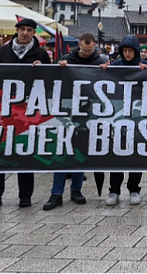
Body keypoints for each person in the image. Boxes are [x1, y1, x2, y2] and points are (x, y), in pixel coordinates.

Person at [0, 18, 51, 212]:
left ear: (34, 33)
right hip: (4, 110)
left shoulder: (41, 54)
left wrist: (44, 70)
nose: (25, 33)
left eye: (29, 30)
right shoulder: (2, 53)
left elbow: (49, 82)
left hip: (28, 110)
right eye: (22, 29)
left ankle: (25, 195)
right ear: (17, 31)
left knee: (25, 151)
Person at [42, 33, 106, 211]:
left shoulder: (99, 61)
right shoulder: (67, 59)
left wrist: (106, 70)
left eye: (89, 50)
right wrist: (59, 67)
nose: (86, 53)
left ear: (94, 46)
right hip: (68, 111)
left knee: (80, 151)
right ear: (79, 45)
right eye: (84, 50)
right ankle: (56, 193)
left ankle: (76, 190)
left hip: (88, 113)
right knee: (63, 151)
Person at [106, 35, 147, 206]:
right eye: (125, 50)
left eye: (131, 51)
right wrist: (103, 70)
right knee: (117, 154)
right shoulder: (115, 66)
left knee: (136, 155)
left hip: (137, 117)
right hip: (118, 117)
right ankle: (114, 190)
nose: (128, 54)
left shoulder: (144, 67)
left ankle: (134, 189)